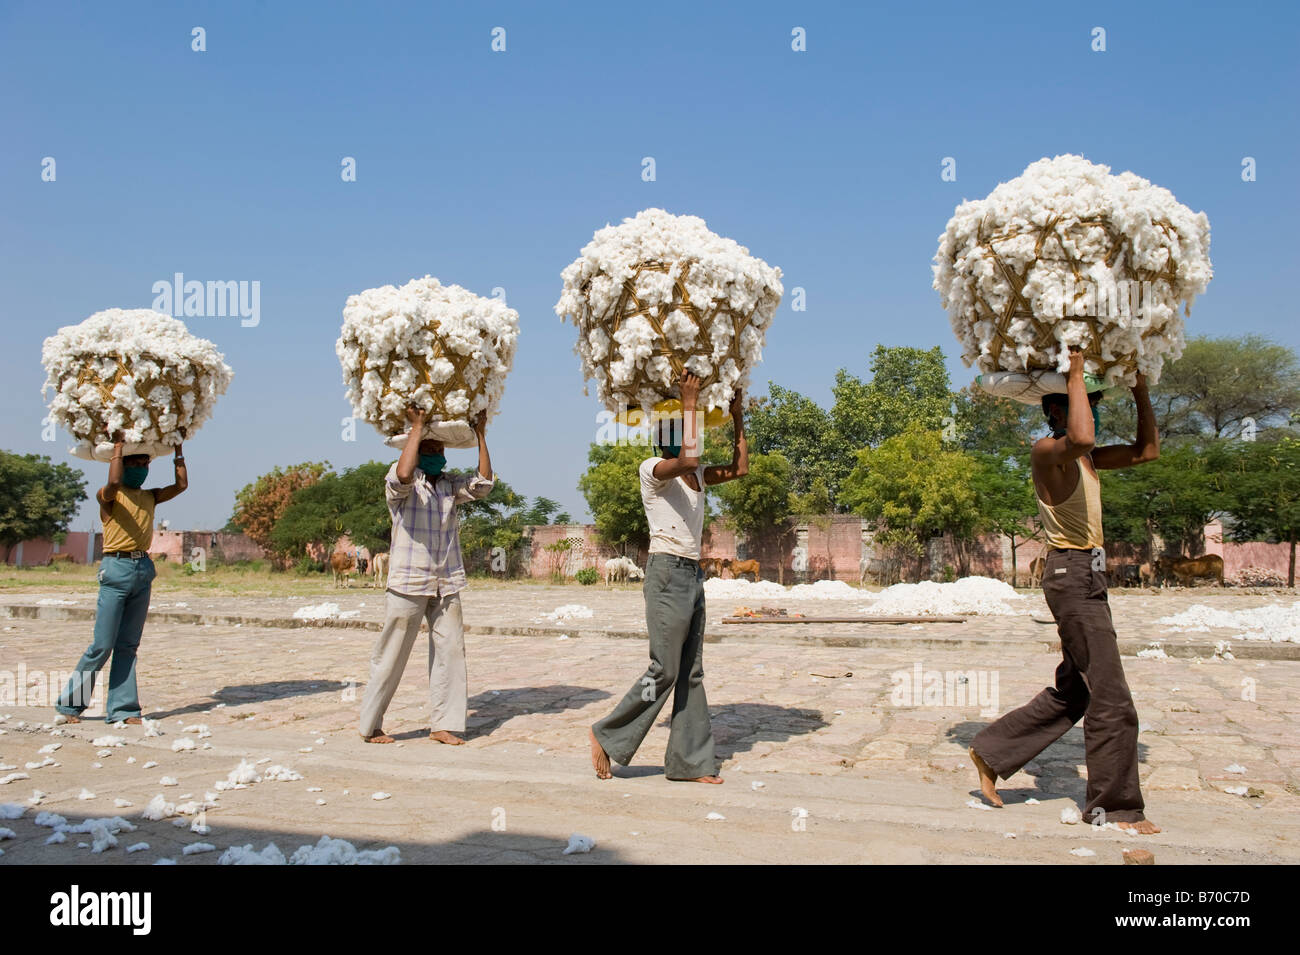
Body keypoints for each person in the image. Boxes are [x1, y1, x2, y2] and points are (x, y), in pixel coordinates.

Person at [970, 349, 1161, 833]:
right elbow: (1080, 435)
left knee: (1076, 691)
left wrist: (1140, 392)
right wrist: (1075, 370)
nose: (1092, 411)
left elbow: (1147, 452)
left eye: (1094, 403)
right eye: (1083, 402)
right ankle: (1114, 808)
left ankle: (992, 751)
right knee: (1112, 698)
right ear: (1054, 410)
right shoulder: (1046, 451)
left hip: (1089, 575)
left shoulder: (1092, 459)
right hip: (1070, 575)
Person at [589, 370, 747, 783]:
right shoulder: (652, 470)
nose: (678, 436)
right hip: (665, 574)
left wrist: (736, 417)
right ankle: (607, 734)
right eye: (673, 429)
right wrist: (689, 399)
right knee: (665, 670)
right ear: (663, 438)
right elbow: (688, 459)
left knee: (691, 672)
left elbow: (740, 469)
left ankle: (690, 763)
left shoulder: (697, 477)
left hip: (692, 575)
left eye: (683, 428)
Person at [359, 405, 493, 745]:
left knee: (451, 651)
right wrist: (417, 427)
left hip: (446, 581)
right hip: (408, 581)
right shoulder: (404, 481)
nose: (436, 453)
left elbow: (484, 483)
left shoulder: (448, 486)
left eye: (439, 448)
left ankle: (444, 724)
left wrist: (480, 434)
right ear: (417, 449)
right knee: (392, 652)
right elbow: (402, 475)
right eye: (429, 448)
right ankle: (371, 725)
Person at [56, 434, 188, 724]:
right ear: (123, 465)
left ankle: (124, 709)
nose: (142, 467)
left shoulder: (150, 496)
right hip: (116, 568)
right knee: (102, 645)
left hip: (142, 568)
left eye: (145, 462)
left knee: (128, 645)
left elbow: (181, 485)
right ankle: (70, 706)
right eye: (136, 462)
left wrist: (178, 449)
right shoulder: (108, 495)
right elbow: (114, 483)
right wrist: (117, 447)